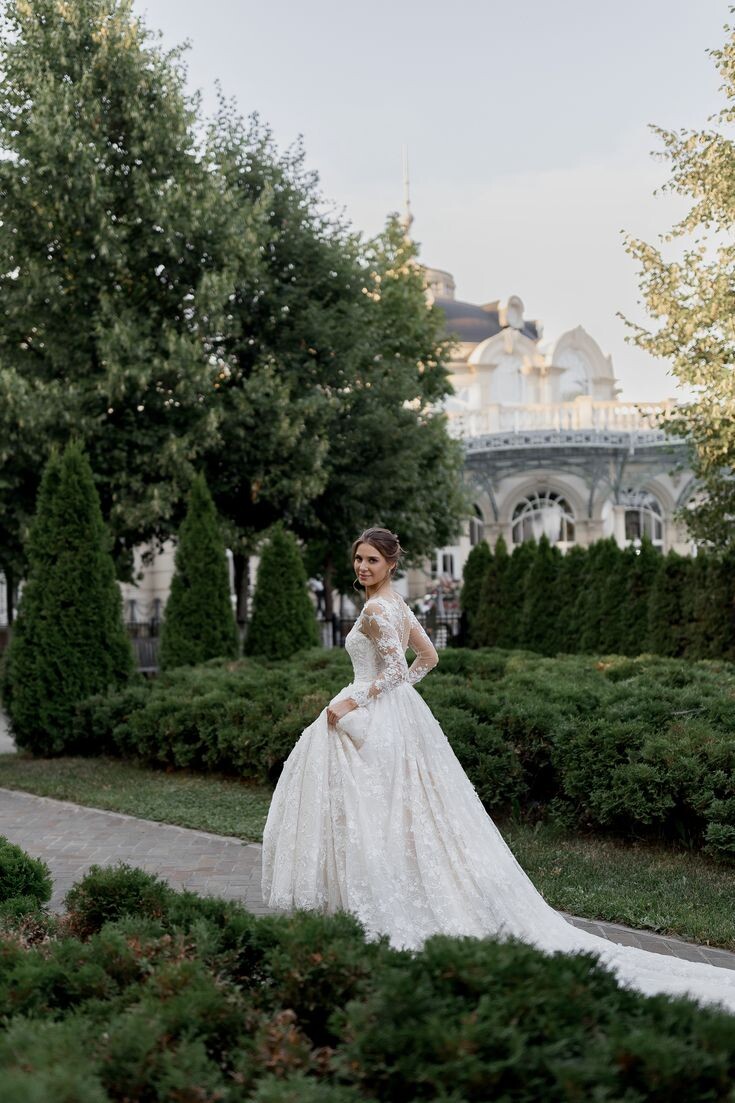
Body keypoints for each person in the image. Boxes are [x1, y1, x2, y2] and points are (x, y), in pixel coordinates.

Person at [262, 526, 735, 1015]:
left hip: (368, 711)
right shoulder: (396, 603)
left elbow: (399, 670)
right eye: (359, 559)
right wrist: (393, 697)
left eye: (372, 561)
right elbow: (428, 657)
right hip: (393, 715)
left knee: (373, 813)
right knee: (396, 813)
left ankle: (371, 907)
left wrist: (356, 700)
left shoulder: (378, 609)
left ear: (391, 565)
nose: (363, 567)